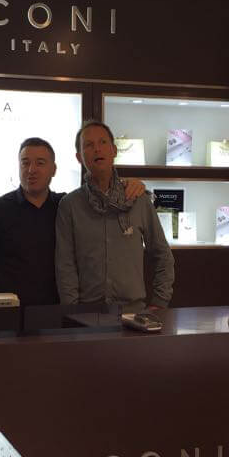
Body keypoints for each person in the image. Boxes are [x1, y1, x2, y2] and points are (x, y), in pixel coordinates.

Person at [0, 137, 146, 305]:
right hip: (8, 317)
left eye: (40, 163)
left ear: (54, 169)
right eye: (25, 163)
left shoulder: (67, 206)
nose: (31, 170)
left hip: (60, 314)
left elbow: (102, 198)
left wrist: (130, 184)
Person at [55, 121, 174, 313]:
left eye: (102, 142)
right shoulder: (70, 205)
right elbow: (65, 265)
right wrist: (72, 311)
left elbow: (163, 255)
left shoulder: (138, 199)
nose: (97, 149)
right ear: (79, 157)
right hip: (86, 316)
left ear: (114, 150)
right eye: (89, 145)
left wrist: (159, 302)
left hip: (134, 313)